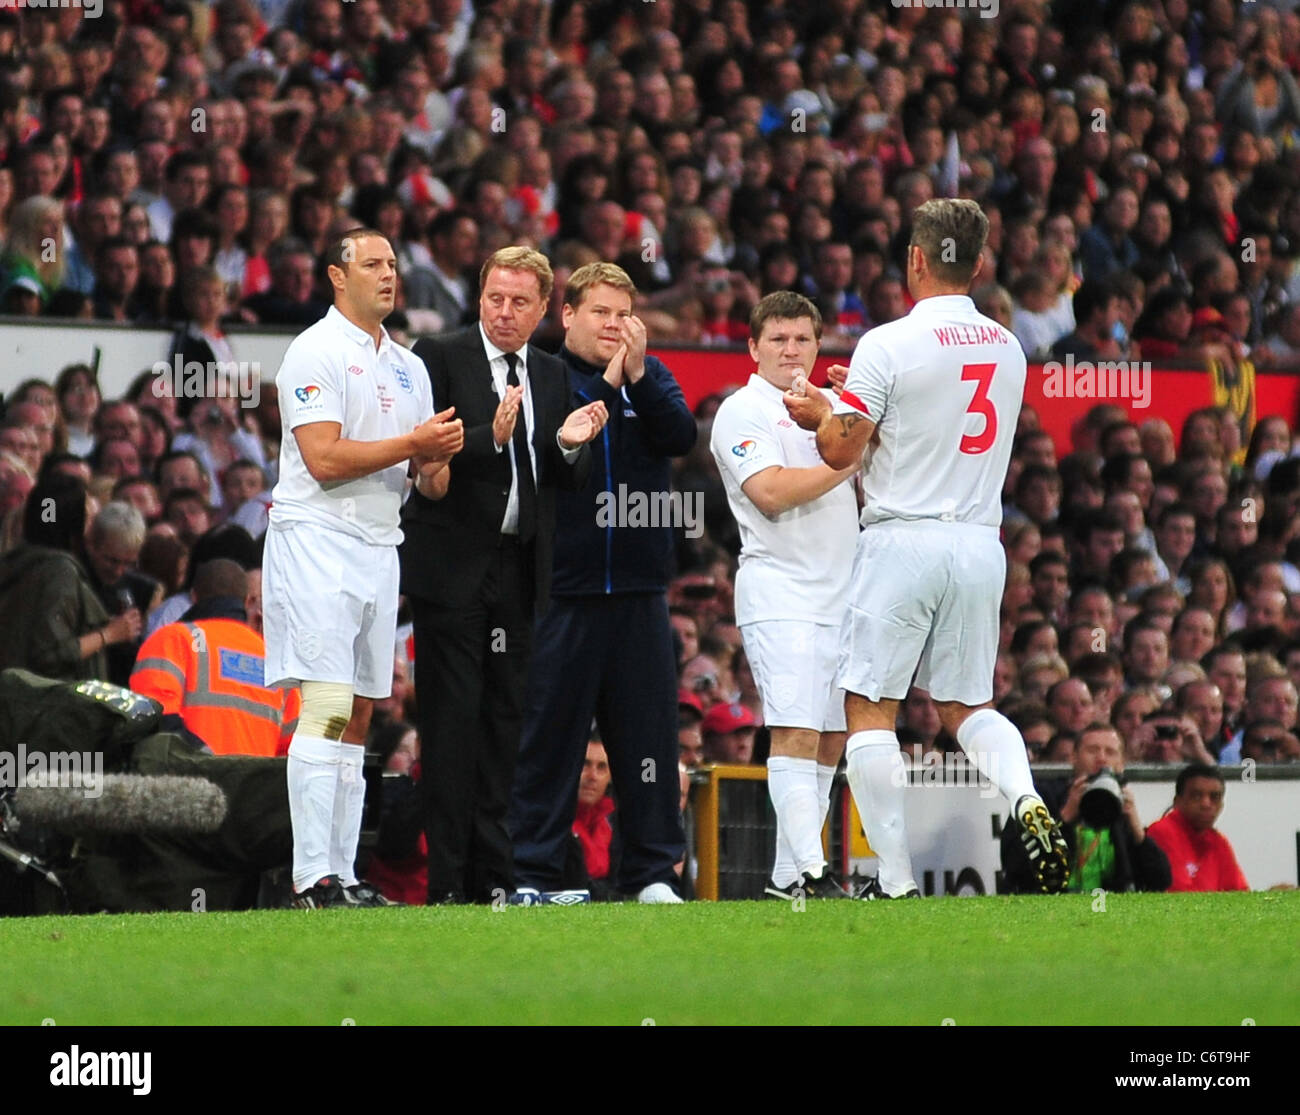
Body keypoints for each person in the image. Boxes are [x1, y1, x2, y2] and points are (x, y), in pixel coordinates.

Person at [784, 198, 1069, 898]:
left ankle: (899, 877)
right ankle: (1026, 795)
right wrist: (870, 411)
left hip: (901, 538)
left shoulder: (887, 344)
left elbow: (840, 450)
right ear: (977, 264)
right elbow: (939, 421)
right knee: (967, 707)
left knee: (870, 706)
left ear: (915, 258)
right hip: (978, 542)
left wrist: (828, 412)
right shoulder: (1008, 347)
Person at [262, 226, 463, 910]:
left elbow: (427, 481)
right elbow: (322, 459)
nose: (388, 273)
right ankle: (309, 876)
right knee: (324, 704)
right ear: (335, 275)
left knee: (360, 714)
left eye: (393, 264)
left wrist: (443, 455)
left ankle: (342, 873)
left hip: (381, 545)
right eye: (372, 262)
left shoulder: (409, 366)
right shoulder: (312, 351)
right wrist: (413, 441)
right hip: (317, 539)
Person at [400, 246, 607, 905]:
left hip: (521, 571)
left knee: (504, 726)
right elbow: (427, 465)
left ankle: (495, 880)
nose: (506, 311)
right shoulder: (438, 358)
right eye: (496, 297)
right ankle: (447, 884)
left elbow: (558, 480)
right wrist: (490, 436)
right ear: (479, 297)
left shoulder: (548, 374)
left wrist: (572, 444)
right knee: (451, 726)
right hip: (454, 571)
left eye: (521, 302)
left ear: (544, 307)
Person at [510, 261, 695, 904]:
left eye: (624, 314)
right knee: (552, 740)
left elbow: (680, 435)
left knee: (647, 739)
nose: (614, 326)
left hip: (641, 592)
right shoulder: (541, 374)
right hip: (564, 590)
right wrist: (608, 391)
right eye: (600, 313)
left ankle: (650, 874)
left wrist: (638, 380)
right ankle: (533, 873)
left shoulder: (652, 375)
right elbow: (543, 452)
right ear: (568, 315)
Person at [709, 290, 859, 899]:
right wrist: (851, 453)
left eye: (802, 339)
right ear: (753, 347)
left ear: (819, 345)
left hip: (843, 593)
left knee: (827, 741)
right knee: (794, 731)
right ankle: (816, 872)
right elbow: (769, 492)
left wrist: (855, 416)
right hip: (782, 592)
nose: (790, 350)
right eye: (777, 339)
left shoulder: (835, 407)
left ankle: (786, 878)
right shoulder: (741, 412)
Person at [131, 558, 300, 757]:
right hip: (254, 786)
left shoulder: (171, 641)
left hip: (190, 782)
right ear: (246, 601)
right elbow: (293, 751)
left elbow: (151, 719)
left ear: (194, 597)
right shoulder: (277, 661)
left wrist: (206, 759)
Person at [0, 473, 141, 682]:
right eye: (86, 514)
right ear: (74, 521)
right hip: (49, 705)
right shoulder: (58, 572)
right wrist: (109, 634)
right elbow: (49, 654)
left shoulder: (16, 563)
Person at [1000, 723, 1171, 894]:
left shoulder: (1119, 806)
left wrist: (1137, 830)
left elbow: (1161, 880)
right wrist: (1064, 818)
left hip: (1107, 908)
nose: (1102, 758)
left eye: (1110, 752)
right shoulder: (1040, 797)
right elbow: (1014, 865)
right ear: (1074, 757)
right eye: (1092, 750)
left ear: (1121, 763)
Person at [1146, 764, 1249, 892]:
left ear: (1222, 805)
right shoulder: (1162, 832)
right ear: (1177, 802)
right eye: (1196, 796)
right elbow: (1180, 898)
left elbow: (1240, 894)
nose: (1206, 804)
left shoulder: (1219, 842)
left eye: (1214, 797)